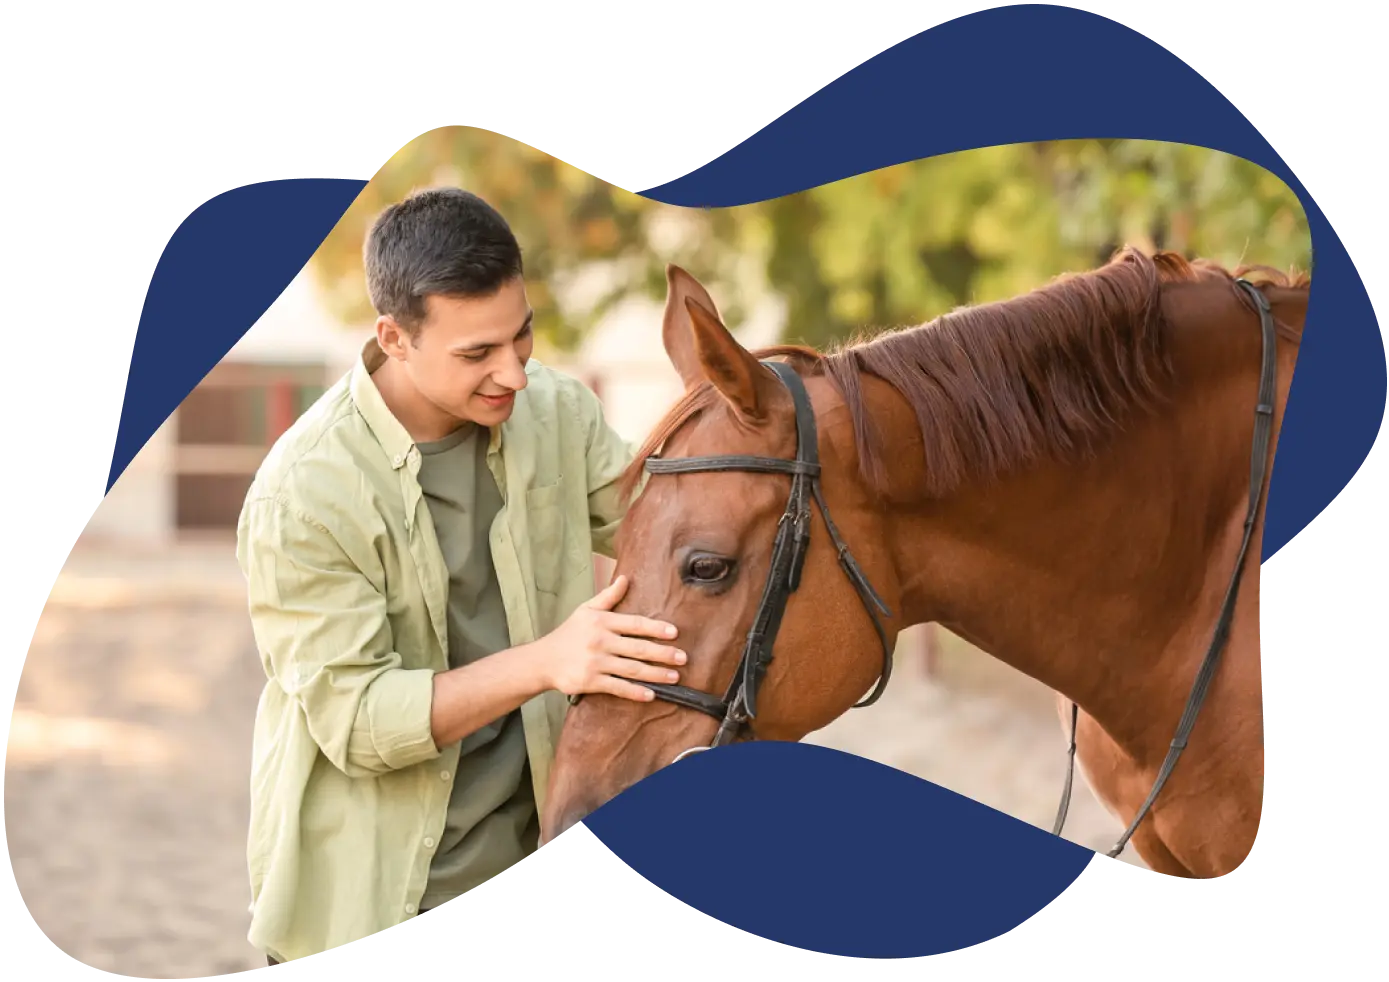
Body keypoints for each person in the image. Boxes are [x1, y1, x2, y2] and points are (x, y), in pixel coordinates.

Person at [236, 187, 686, 967]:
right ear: (394, 338)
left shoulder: (555, 412)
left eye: (522, 336)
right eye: (477, 354)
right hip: (376, 896)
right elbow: (360, 723)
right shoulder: (301, 496)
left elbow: (675, 534)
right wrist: (548, 661)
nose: (512, 373)